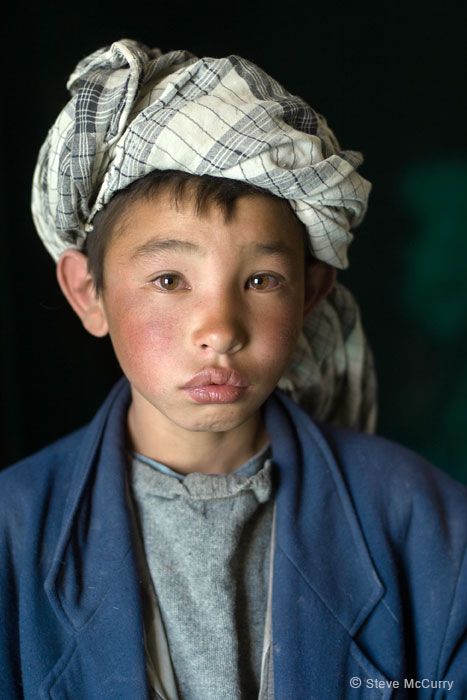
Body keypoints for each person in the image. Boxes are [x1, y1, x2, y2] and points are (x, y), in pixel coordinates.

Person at [1, 39, 466, 700]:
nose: (219, 328)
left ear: (310, 294)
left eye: (259, 279)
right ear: (88, 292)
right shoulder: (11, 535)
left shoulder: (427, 525)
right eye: (169, 279)